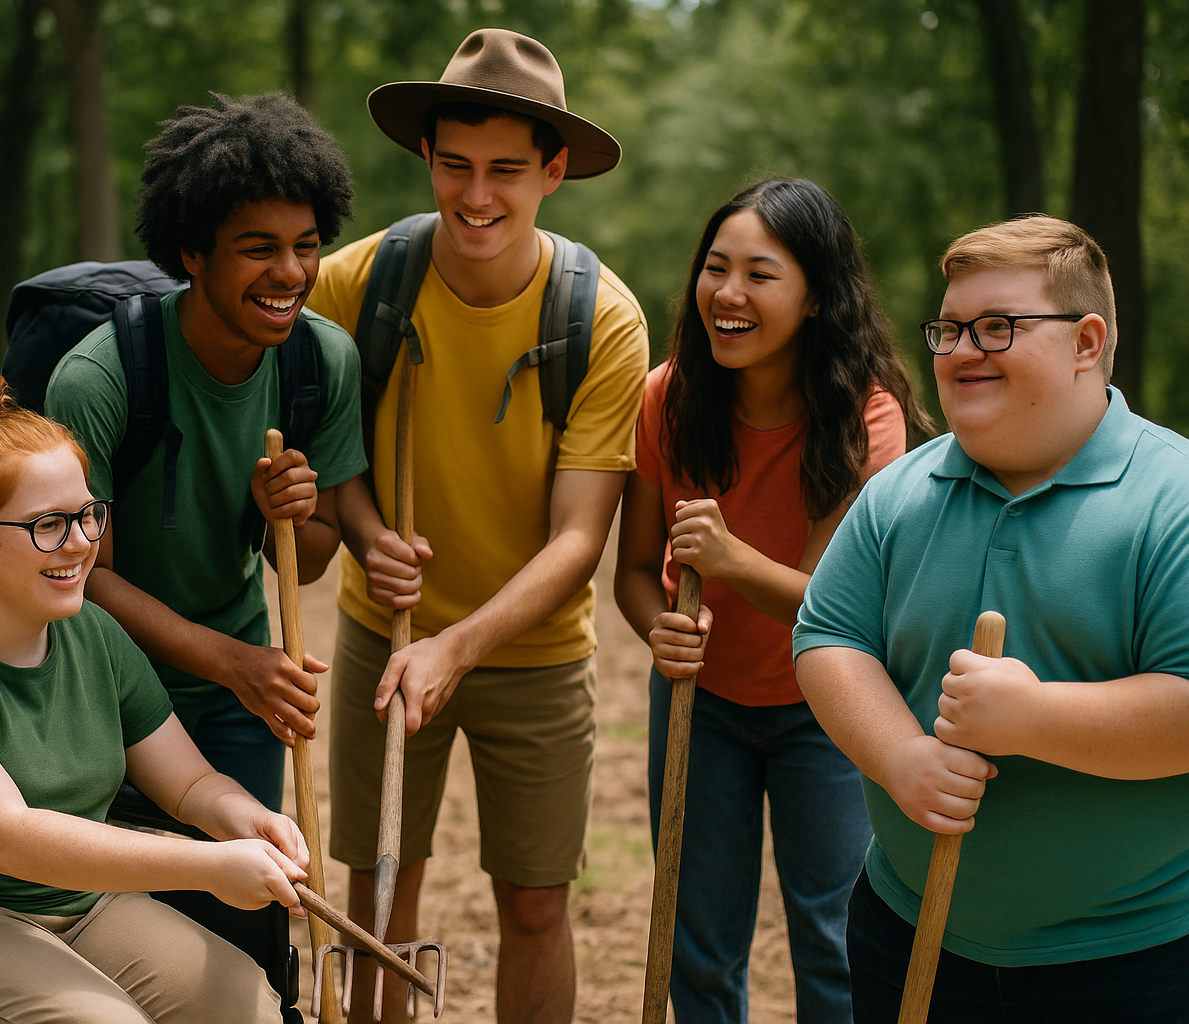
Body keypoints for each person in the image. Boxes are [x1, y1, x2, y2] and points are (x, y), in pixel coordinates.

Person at [305, 29, 649, 1023]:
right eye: (455, 165)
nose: (477, 194)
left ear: (553, 172)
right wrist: (366, 530)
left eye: (506, 170)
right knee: (380, 891)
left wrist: (457, 646)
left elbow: (580, 541)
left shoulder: (602, 318)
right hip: (386, 633)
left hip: (534, 652)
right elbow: (330, 452)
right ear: (427, 157)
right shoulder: (357, 284)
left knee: (536, 905)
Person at [0, 376, 307, 1023]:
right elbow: (6, 836)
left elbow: (190, 786)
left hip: (75, 903)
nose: (79, 542)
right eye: (47, 524)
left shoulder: (94, 634)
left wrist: (247, 818)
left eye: (87, 514)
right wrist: (208, 865)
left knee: (248, 1006)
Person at [794, 215, 1189, 1024]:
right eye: (949, 329)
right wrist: (900, 756)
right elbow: (829, 638)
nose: (961, 350)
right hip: (908, 933)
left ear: (1086, 342)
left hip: (1134, 961)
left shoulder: (1173, 499)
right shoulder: (898, 494)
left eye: (998, 326)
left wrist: (1034, 717)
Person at [613, 178, 931, 1024]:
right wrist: (660, 630)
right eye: (716, 268)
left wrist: (731, 560)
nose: (728, 293)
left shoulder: (866, 415)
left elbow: (834, 608)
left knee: (834, 938)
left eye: (760, 274)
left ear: (817, 297)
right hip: (702, 702)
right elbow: (634, 571)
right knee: (699, 942)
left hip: (827, 707)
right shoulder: (669, 397)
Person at [45, 92, 366, 811]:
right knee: (125, 881)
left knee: (249, 883)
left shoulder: (323, 363)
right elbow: (85, 577)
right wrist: (235, 664)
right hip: (103, 690)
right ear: (192, 252)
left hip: (240, 700)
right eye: (259, 249)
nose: (291, 273)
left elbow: (313, 557)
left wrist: (291, 516)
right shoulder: (99, 379)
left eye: (306, 245)